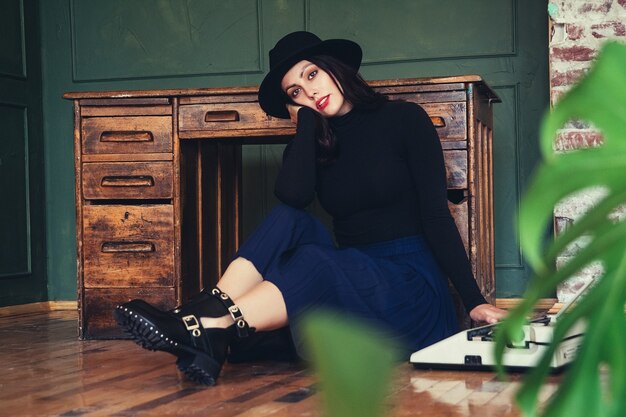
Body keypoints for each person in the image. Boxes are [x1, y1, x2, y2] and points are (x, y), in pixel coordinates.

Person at [114, 31, 507, 386]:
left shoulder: (404, 120)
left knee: (313, 264)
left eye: (311, 75)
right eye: (294, 93)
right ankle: (205, 323)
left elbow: (436, 217)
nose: (308, 92)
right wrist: (306, 123)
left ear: (334, 68)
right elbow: (293, 198)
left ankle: (203, 324)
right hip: (352, 279)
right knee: (292, 221)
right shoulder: (312, 145)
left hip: (410, 291)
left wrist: (474, 301)